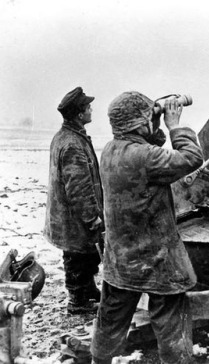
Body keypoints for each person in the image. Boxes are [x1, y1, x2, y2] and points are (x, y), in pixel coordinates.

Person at [91, 91, 204, 364]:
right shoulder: (146, 158)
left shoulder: (110, 150)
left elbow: (147, 143)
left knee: (110, 322)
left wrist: (151, 120)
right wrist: (174, 124)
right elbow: (192, 157)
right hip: (158, 259)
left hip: (121, 258)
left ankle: (99, 360)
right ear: (139, 123)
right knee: (171, 325)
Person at [44, 87, 103, 314]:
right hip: (74, 217)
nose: (91, 109)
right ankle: (77, 301)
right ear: (79, 114)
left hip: (69, 215)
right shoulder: (72, 143)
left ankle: (87, 290)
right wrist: (92, 217)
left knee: (86, 254)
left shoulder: (68, 137)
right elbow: (78, 187)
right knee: (77, 256)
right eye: (88, 106)